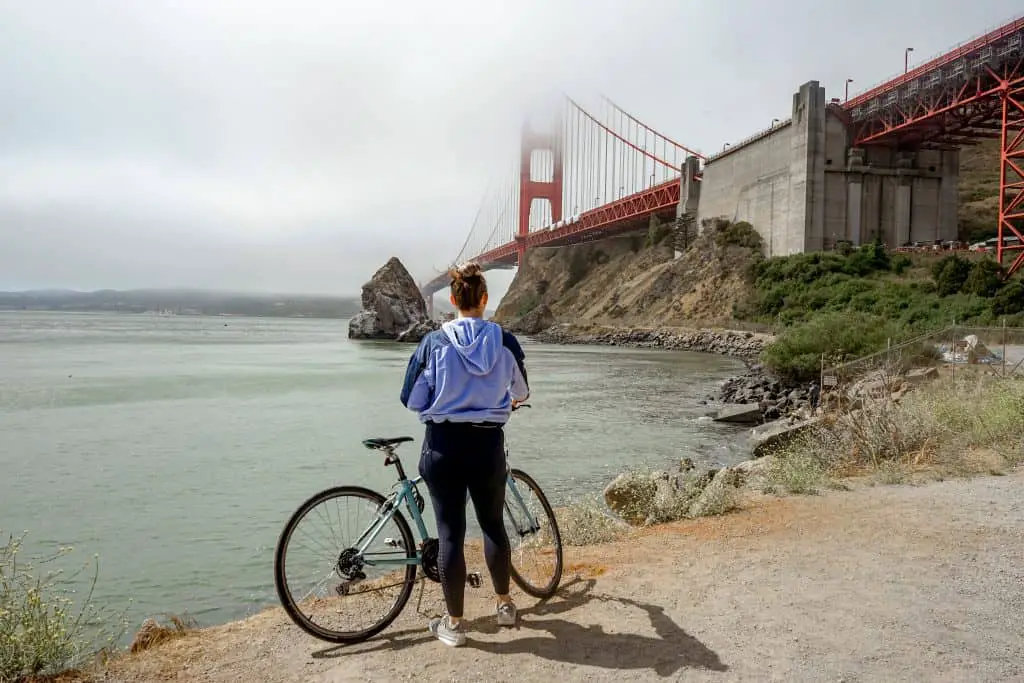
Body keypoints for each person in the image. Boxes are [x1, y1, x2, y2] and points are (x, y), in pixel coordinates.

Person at [399, 262, 530, 647]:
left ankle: (454, 625)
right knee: (492, 525)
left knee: (450, 534)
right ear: (484, 299)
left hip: (443, 446)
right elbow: (521, 390)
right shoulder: (505, 341)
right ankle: (505, 606)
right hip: (487, 445)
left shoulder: (432, 343)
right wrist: (499, 399)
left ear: (453, 299)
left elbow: (411, 399)